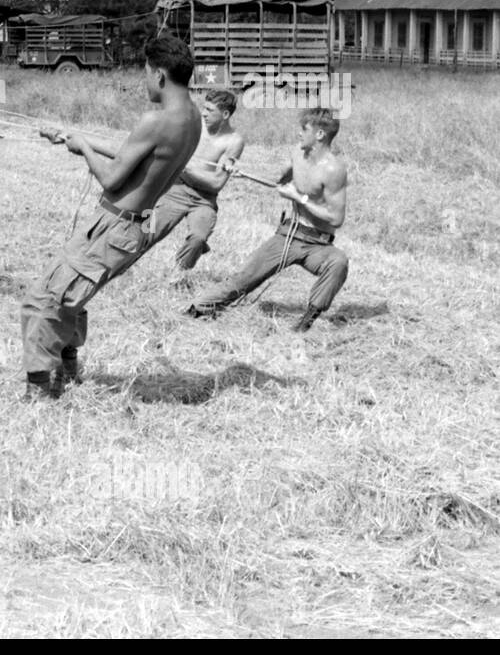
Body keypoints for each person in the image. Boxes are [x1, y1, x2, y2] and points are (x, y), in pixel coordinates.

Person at [23, 35, 202, 400]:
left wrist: (85, 148)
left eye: (146, 73)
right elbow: (134, 157)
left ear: (161, 75)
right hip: (129, 227)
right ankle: (67, 371)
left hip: (113, 225)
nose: (145, 81)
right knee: (71, 296)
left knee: (45, 299)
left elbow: (110, 177)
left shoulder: (156, 119)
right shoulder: (193, 118)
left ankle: (41, 391)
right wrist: (77, 141)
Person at [187, 108, 349, 332]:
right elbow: (276, 178)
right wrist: (237, 169)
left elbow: (336, 218)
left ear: (320, 135)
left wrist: (299, 198)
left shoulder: (334, 169)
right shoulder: (297, 153)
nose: (299, 133)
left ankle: (306, 323)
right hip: (289, 234)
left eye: (304, 129)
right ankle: (196, 309)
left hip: (318, 244)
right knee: (243, 279)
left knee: (338, 262)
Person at [144, 89, 246, 280]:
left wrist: (184, 166)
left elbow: (216, 184)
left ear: (225, 115)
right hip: (176, 189)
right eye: (204, 108)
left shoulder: (234, 141)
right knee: (146, 232)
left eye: (210, 110)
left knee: (198, 238)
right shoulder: (193, 125)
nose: (204, 113)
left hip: (204, 200)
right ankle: (122, 262)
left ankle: (177, 275)